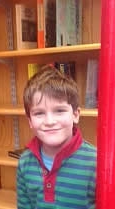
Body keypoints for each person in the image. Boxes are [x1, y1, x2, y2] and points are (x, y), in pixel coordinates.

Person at [17, 66, 96, 209]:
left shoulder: (96, 162)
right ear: (29, 121)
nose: (49, 121)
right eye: (39, 113)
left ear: (75, 115)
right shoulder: (24, 162)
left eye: (59, 110)